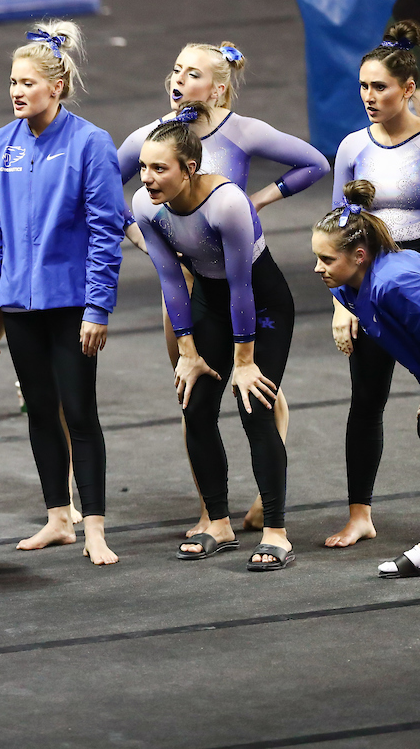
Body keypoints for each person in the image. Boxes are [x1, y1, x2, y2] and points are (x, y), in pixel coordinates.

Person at [116, 41, 329, 537]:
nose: (178, 80)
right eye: (176, 69)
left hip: (244, 278)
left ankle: (268, 507)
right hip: (189, 285)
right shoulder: (152, 142)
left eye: (192, 73)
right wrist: (142, 237)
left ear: (218, 88)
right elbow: (103, 186)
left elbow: (315, 164)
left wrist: (258, 201)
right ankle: (212, 514)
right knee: (193, 396)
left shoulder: (240, 134)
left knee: (256, 394)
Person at [0, 22, 124, 565]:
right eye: (13, 82)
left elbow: (106, 230)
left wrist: (98, 305)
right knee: (39, 410)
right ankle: (58, 518)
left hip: (71, 304)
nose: (16, 91)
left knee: (79, 412)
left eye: (28, 83)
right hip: (18, 303)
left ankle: (95, 528)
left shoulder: (90, 142)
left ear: (56, 87)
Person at [133, 108, 296, 571]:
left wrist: (244, 362)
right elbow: (170, 279)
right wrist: (187, 352)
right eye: (143, 167)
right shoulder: (146, 206)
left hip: (261, 305)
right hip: (208, 300)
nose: (146, 178)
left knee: (255, 408)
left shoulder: (227, 204)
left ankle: (277, 533)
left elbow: (242, 285)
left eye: (159, 168)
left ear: (189, 168)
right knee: (197, 406)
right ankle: (219, 523)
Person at [326, 20, 420, 548]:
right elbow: (337, 230)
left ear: (408, 88)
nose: (368, 96)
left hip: (417, 280)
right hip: (368, 283)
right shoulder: (351, 147)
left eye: (380, 86)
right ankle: (359, 513)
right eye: (362, 86)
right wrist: (342, 304)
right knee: (366, 399)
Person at [312, 181, 420, 578]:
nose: (317, 268)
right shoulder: (350, 288)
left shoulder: (397, 285)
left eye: (326, 259)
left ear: (359, 256)